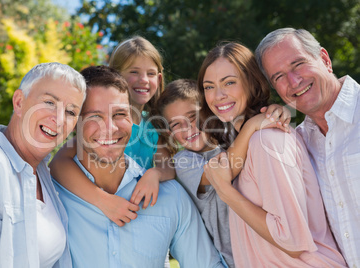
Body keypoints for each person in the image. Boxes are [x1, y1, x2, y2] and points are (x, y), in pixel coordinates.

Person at [52, 65, 226, 268]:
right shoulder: (50, 196)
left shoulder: (171, 196)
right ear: (75, 122)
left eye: (119, 114)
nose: (110, 128)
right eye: (94, 116)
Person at [198, 42, 347, 267]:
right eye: (209, 86)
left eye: (229, 82)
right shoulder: (246, 142)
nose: (218, 95)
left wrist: (226, 192)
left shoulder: (267, 140)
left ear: (251, 83)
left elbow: (291, 241)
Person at [151, 79, 291, 268]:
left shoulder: (231, 139)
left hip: (267, 248)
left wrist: (274, 112)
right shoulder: (184, 162)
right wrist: (252, 126)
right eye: (176, 125)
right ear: (169, 133)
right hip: (232, 260)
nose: (188, 128)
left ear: (208, 113)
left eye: (193, 116)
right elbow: (223, 171)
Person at [0, 62, 86, 267]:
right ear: (19, 102)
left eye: (71, 112)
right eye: (49, 102)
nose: (59, 119)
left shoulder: (43, 174)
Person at [255, 27, 360, 267]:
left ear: (324, 59)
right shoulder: (297, 144)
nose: (293, 81)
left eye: (298, 64)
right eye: (279, 77)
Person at [50, 36, 174, 227]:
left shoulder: (152, 125)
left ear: (159, 78)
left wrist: (155, 174)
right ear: (116, 75)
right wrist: (102, 200)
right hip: (99, 213)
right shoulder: (99, 128)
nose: (143, 80)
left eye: (150, 73)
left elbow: (168, 167)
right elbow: (58, 164)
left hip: (140, 215)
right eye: (134, 72)